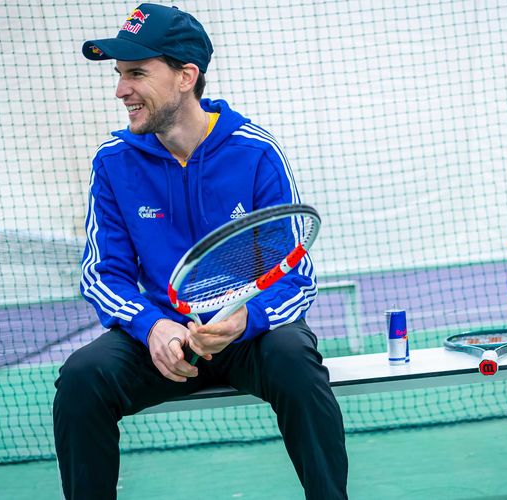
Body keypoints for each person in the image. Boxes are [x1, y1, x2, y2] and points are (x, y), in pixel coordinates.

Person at [53, 4, 348, 499]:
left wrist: (245, 319)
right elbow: (104, 275)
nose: (120, 90)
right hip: (165, 339)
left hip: (248, 332)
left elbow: (295, 275)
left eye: (137, 74)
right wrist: (153, 327)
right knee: (81, 379)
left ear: (186, 76)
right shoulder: (113, 162)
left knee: (296, 361)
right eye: (120, 75)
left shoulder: (255, 151)